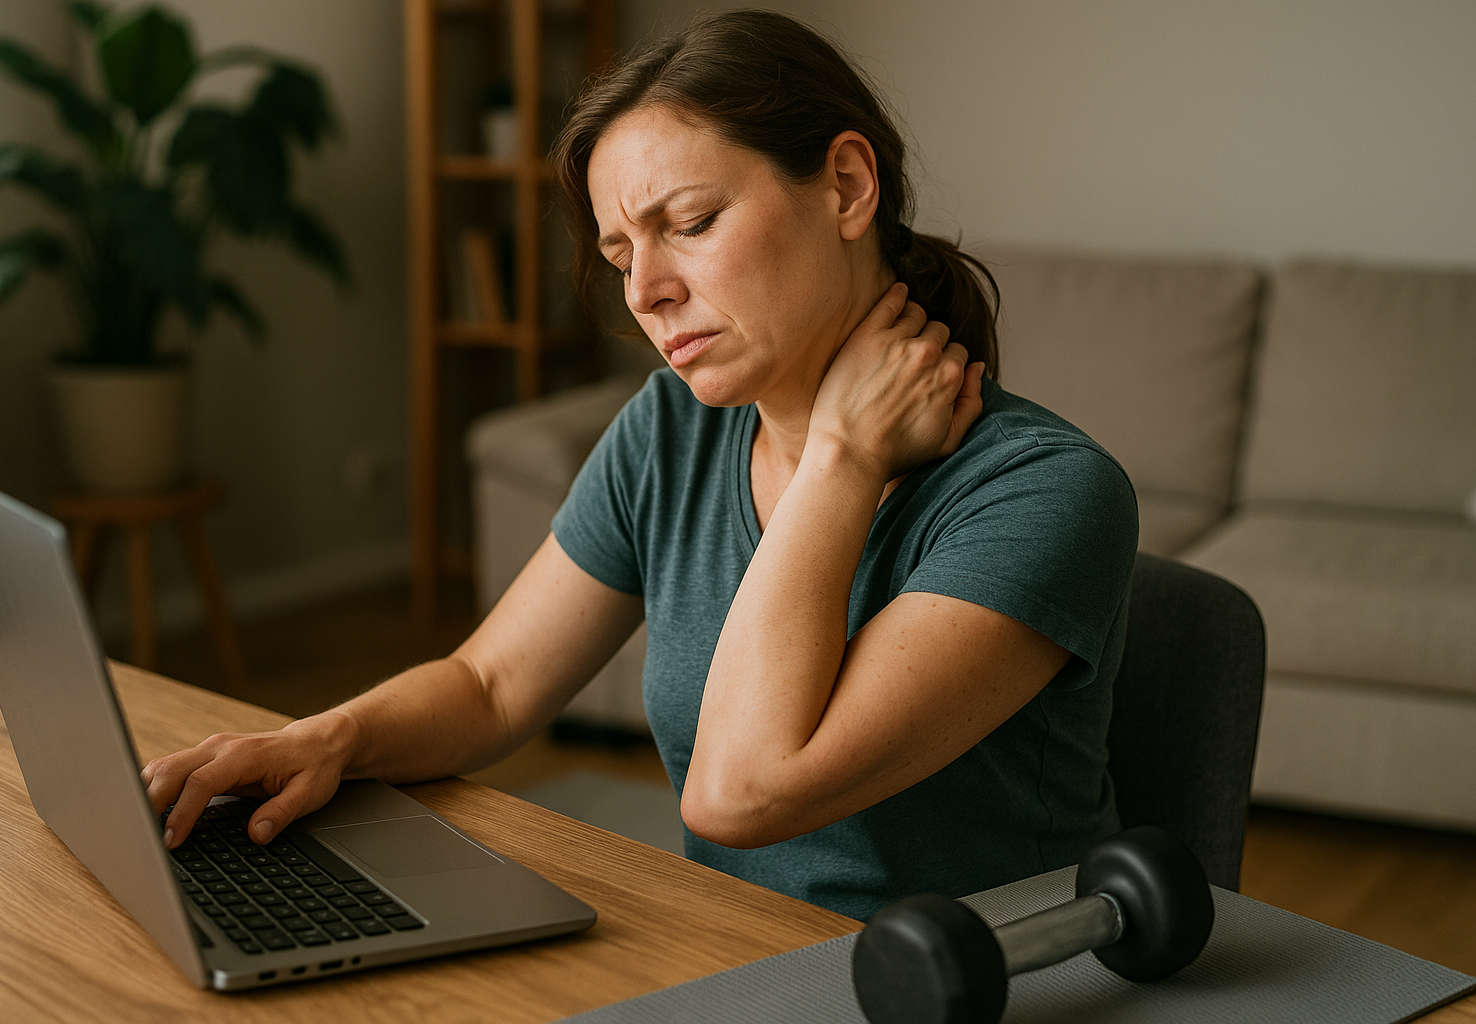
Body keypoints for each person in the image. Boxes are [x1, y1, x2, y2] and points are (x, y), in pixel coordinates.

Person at [143, 10, 1138, 922]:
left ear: (845, 185)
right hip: (734, 959)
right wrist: (333, 738)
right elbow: (491, 684)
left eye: (691, 223)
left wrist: (839, 454)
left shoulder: (1044, 491)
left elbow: (740, 793)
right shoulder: (672, 428)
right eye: (621, 254)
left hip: (978, 984)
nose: (648, 293)